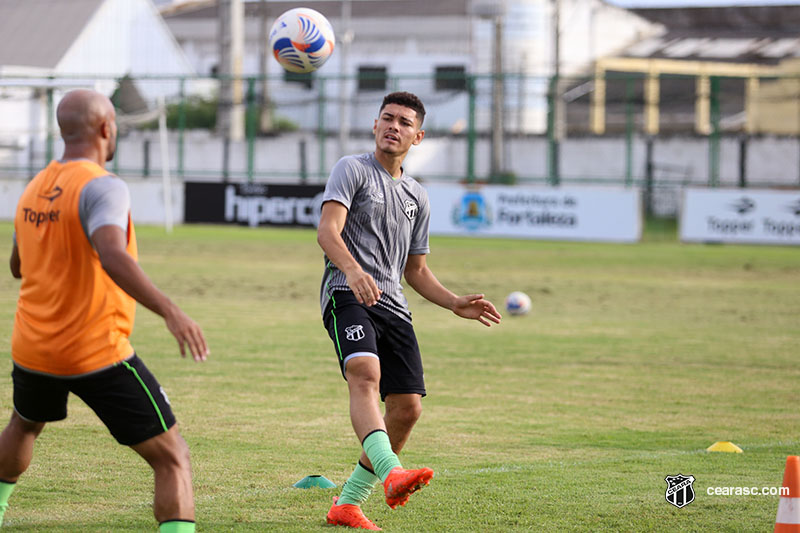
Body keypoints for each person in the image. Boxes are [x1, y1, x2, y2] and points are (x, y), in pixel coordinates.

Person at [0, 89, 209, 533]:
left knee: (24, 423)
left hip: (34, 345)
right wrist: (171, 311)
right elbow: (112, 254)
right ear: (106, 129)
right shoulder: (104, 185)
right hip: (94, 350)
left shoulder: (34, 187)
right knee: (173, 456)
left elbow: (18, 266)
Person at [317, 91, 502, 530]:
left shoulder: (417, 196)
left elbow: (415, 270)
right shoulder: (352, 169)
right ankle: (392, 472)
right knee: (364, 374)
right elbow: (328, 231)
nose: (393, 126)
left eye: (403, 122)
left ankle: (347, 505)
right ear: (375, 125)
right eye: (387, 118)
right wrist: (353, 270)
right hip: (346, 293)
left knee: (408, 408)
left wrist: (454, 301)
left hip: (394, 306)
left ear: (417, 137)